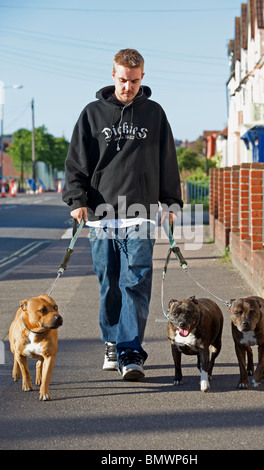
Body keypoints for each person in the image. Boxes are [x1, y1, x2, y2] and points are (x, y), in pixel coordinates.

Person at [62, 49, 183, 381]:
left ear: (142, 76)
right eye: (122, 80)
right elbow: (76, 163)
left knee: (136, 284)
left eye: (133, 80)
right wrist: (76, 200)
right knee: (110, 285)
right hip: (102, 217)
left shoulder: (155, 114)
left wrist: (171, 202)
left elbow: (167, 160)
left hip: (140, 216)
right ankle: (112, 341)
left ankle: (131, 351)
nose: (127, 86)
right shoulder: (92, 114)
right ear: (112, 75)